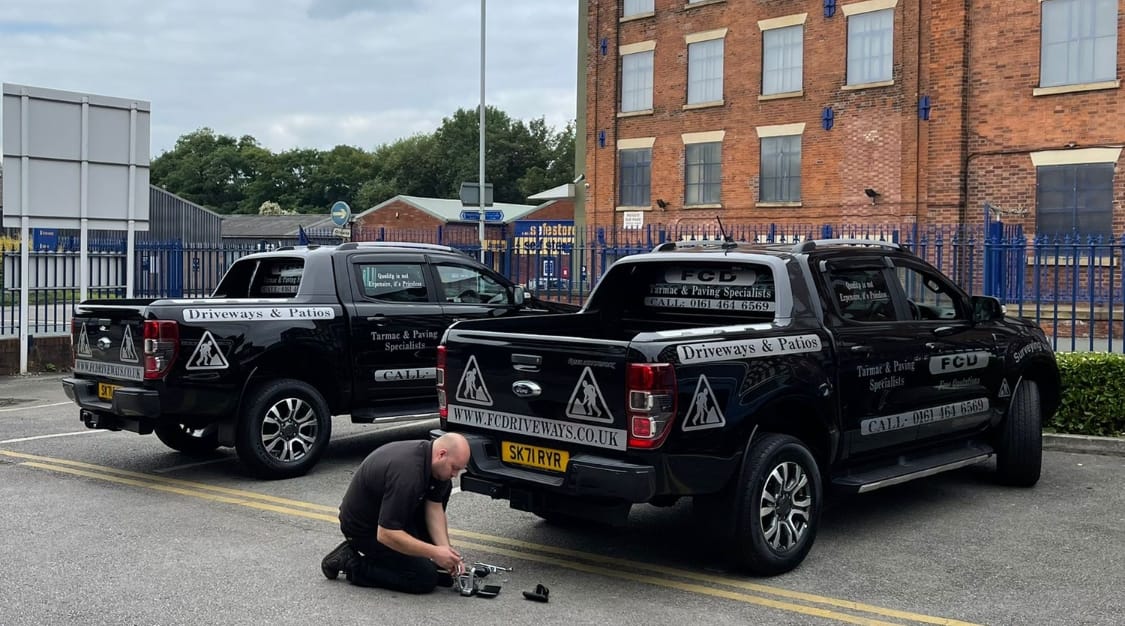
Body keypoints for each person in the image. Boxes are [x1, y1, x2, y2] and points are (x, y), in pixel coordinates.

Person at [320, 433, 471, 594]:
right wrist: (434, 552)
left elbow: (434, 508)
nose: (455, 474)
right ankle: (350, 562)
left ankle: (407, 560)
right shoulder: (408, 474)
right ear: (441, 454)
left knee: (441, 574)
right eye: (454, 468)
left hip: (392, 518)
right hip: (365, 530)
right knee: (424, 578)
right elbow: (385, 534)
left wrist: (446, 551)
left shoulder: (435, 465)